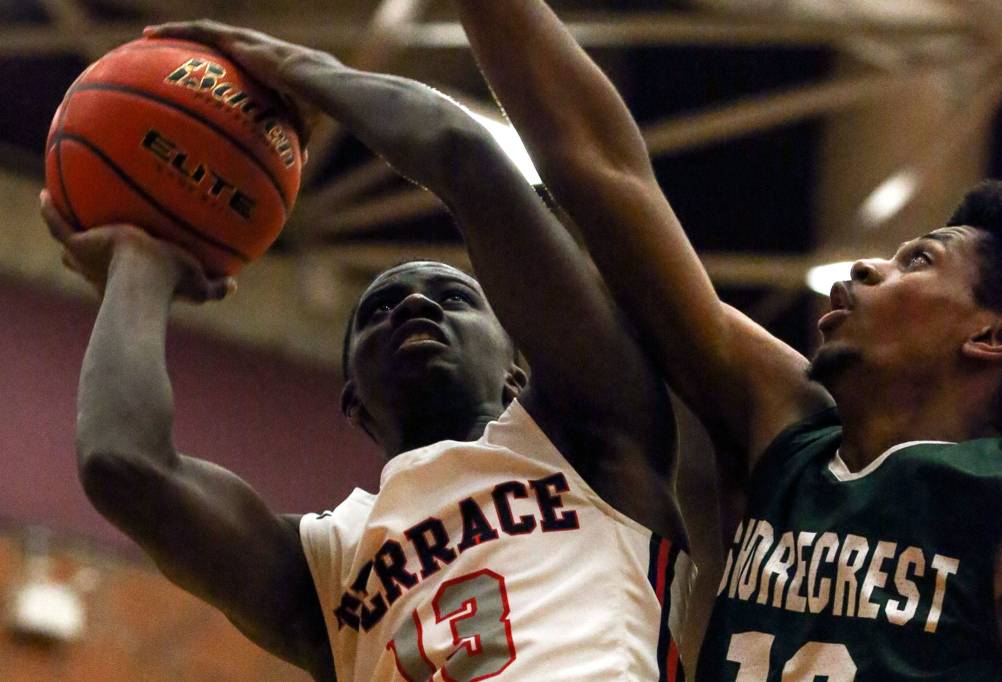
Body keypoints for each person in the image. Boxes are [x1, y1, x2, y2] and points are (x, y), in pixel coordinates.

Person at [44, 20, 693, 682]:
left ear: (514, 372)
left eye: (454, 299)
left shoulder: (594, 436)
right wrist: (141, 263)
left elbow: (466, 159)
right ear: (353, 400)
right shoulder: (328, 566)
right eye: (377, 312)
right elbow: (123, 466)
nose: (415, 306)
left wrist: (311, 72)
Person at [448, 1, 1002, 679]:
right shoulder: (780, 427)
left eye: (918, 261)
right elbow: (606, 169)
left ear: (996, 334)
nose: (869, 267)